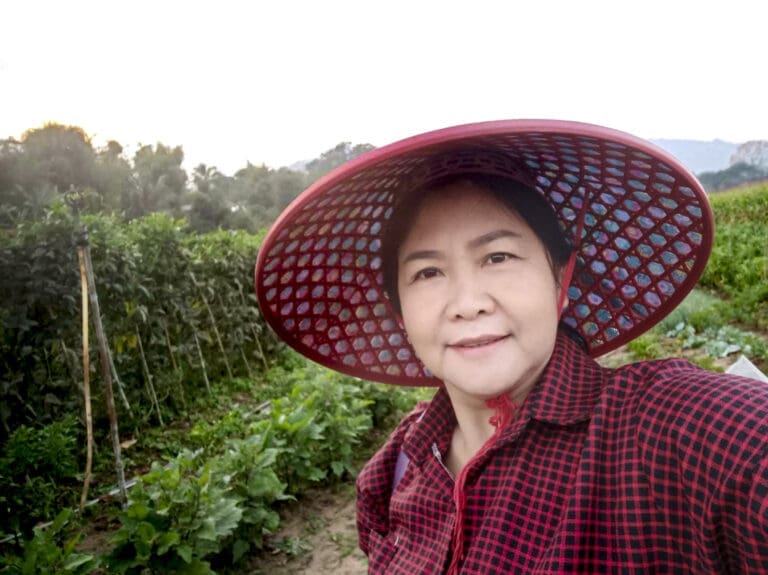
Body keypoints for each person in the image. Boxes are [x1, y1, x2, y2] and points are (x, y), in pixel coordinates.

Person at [254, 120, 768, 573]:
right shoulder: (392, 475)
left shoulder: (668, 434)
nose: (468, 302)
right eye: (428, 272)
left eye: (498, 257)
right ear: (400, 314)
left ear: (560, 280)